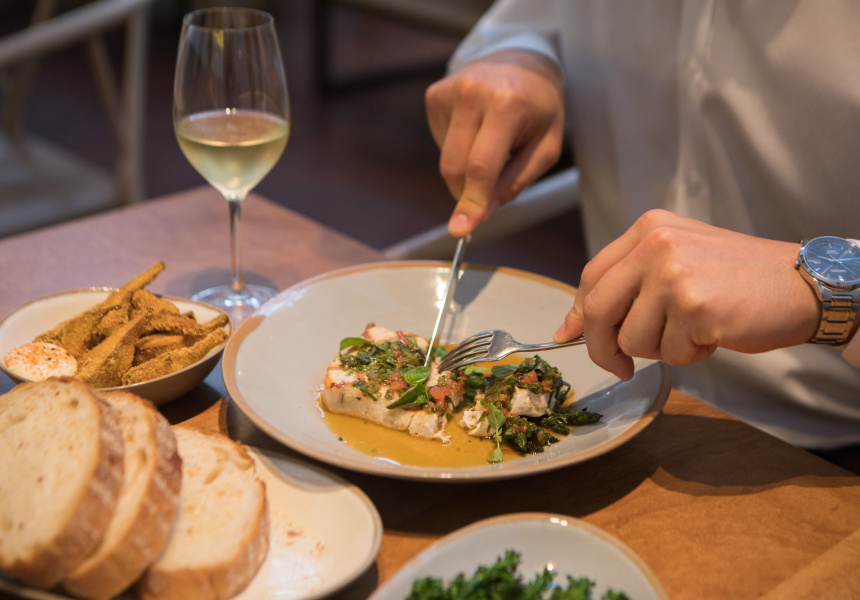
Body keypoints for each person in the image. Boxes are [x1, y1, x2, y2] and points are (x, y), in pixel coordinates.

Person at [425, 0, 860, 449]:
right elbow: (532, 21)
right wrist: (519, 59)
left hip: (833, 441)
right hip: (616, 403)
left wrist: (833, 288)